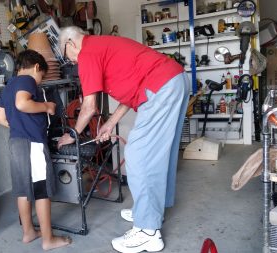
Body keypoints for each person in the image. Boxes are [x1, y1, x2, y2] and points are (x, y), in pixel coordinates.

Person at [57, 26, 190, 252]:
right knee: (159, 154)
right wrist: (109, 124)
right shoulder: (102, 47)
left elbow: (89, 107)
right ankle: (149, 211)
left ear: (70, 43)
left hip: (161, 86)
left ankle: (148, 231)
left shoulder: (87, 53)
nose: (70, 62)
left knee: (138, 155)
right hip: (173, 80)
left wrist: (72, 134)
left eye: (66, 57)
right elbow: (130, 94)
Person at [0, 49, 72, 250]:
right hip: (32, 144)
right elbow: (22, 104)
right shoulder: (27, 80)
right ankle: (48, 240)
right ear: (37, 67)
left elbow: (0, 119)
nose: (39, 81)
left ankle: (28, 232)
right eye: (42, 76)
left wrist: (21, 126)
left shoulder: (8, 86)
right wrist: (46, 106)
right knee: (41, 191)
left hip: (16, 143)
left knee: (23, 189)